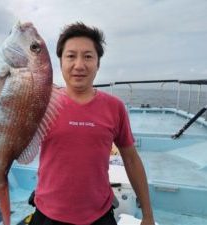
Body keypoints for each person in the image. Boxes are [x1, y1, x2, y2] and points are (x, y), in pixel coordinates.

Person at [30, 22, 155, 225]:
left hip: (99, 215)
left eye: (88, 56)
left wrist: (148, 215)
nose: (79, 65)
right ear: (60, 62)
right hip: (47, 214)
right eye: (71, 56)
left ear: (98, 63)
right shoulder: (41, 103)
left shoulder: (115, 107)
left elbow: (131, 160)